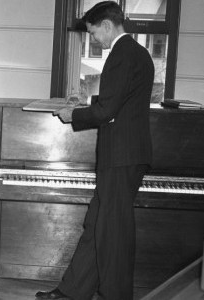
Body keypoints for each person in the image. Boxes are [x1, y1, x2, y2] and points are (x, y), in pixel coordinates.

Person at [38, 2, 154, 300]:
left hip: (121, 156)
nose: (95, 40)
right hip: (126, 153)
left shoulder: (121, 54)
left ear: (106, 25)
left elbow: (108, 110)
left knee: (112, 232)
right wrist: (89, 104)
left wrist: (72, 115)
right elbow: (116, 104)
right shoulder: (136, 53)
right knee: (96, 225)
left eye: (94, 34)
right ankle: (72, 291)